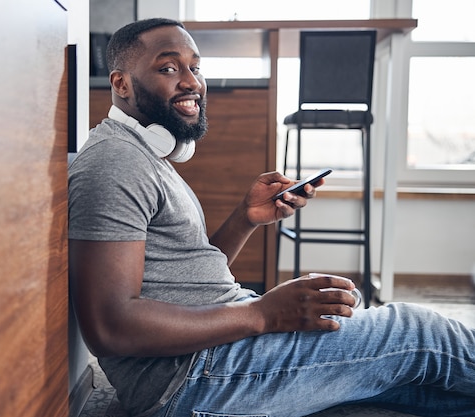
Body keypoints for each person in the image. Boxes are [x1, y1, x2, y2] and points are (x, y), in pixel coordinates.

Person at [68, 18, 475, 417]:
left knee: (417, 381)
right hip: (195, 377)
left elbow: (182, 279)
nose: (191, 81)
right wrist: (262, 314)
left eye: (195, 67)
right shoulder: (115, 163)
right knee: (418, 332)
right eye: (169, 68)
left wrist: (245, 219)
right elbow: (110, 326)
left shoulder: (142, 156)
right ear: (120, 84)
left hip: (210, 355)